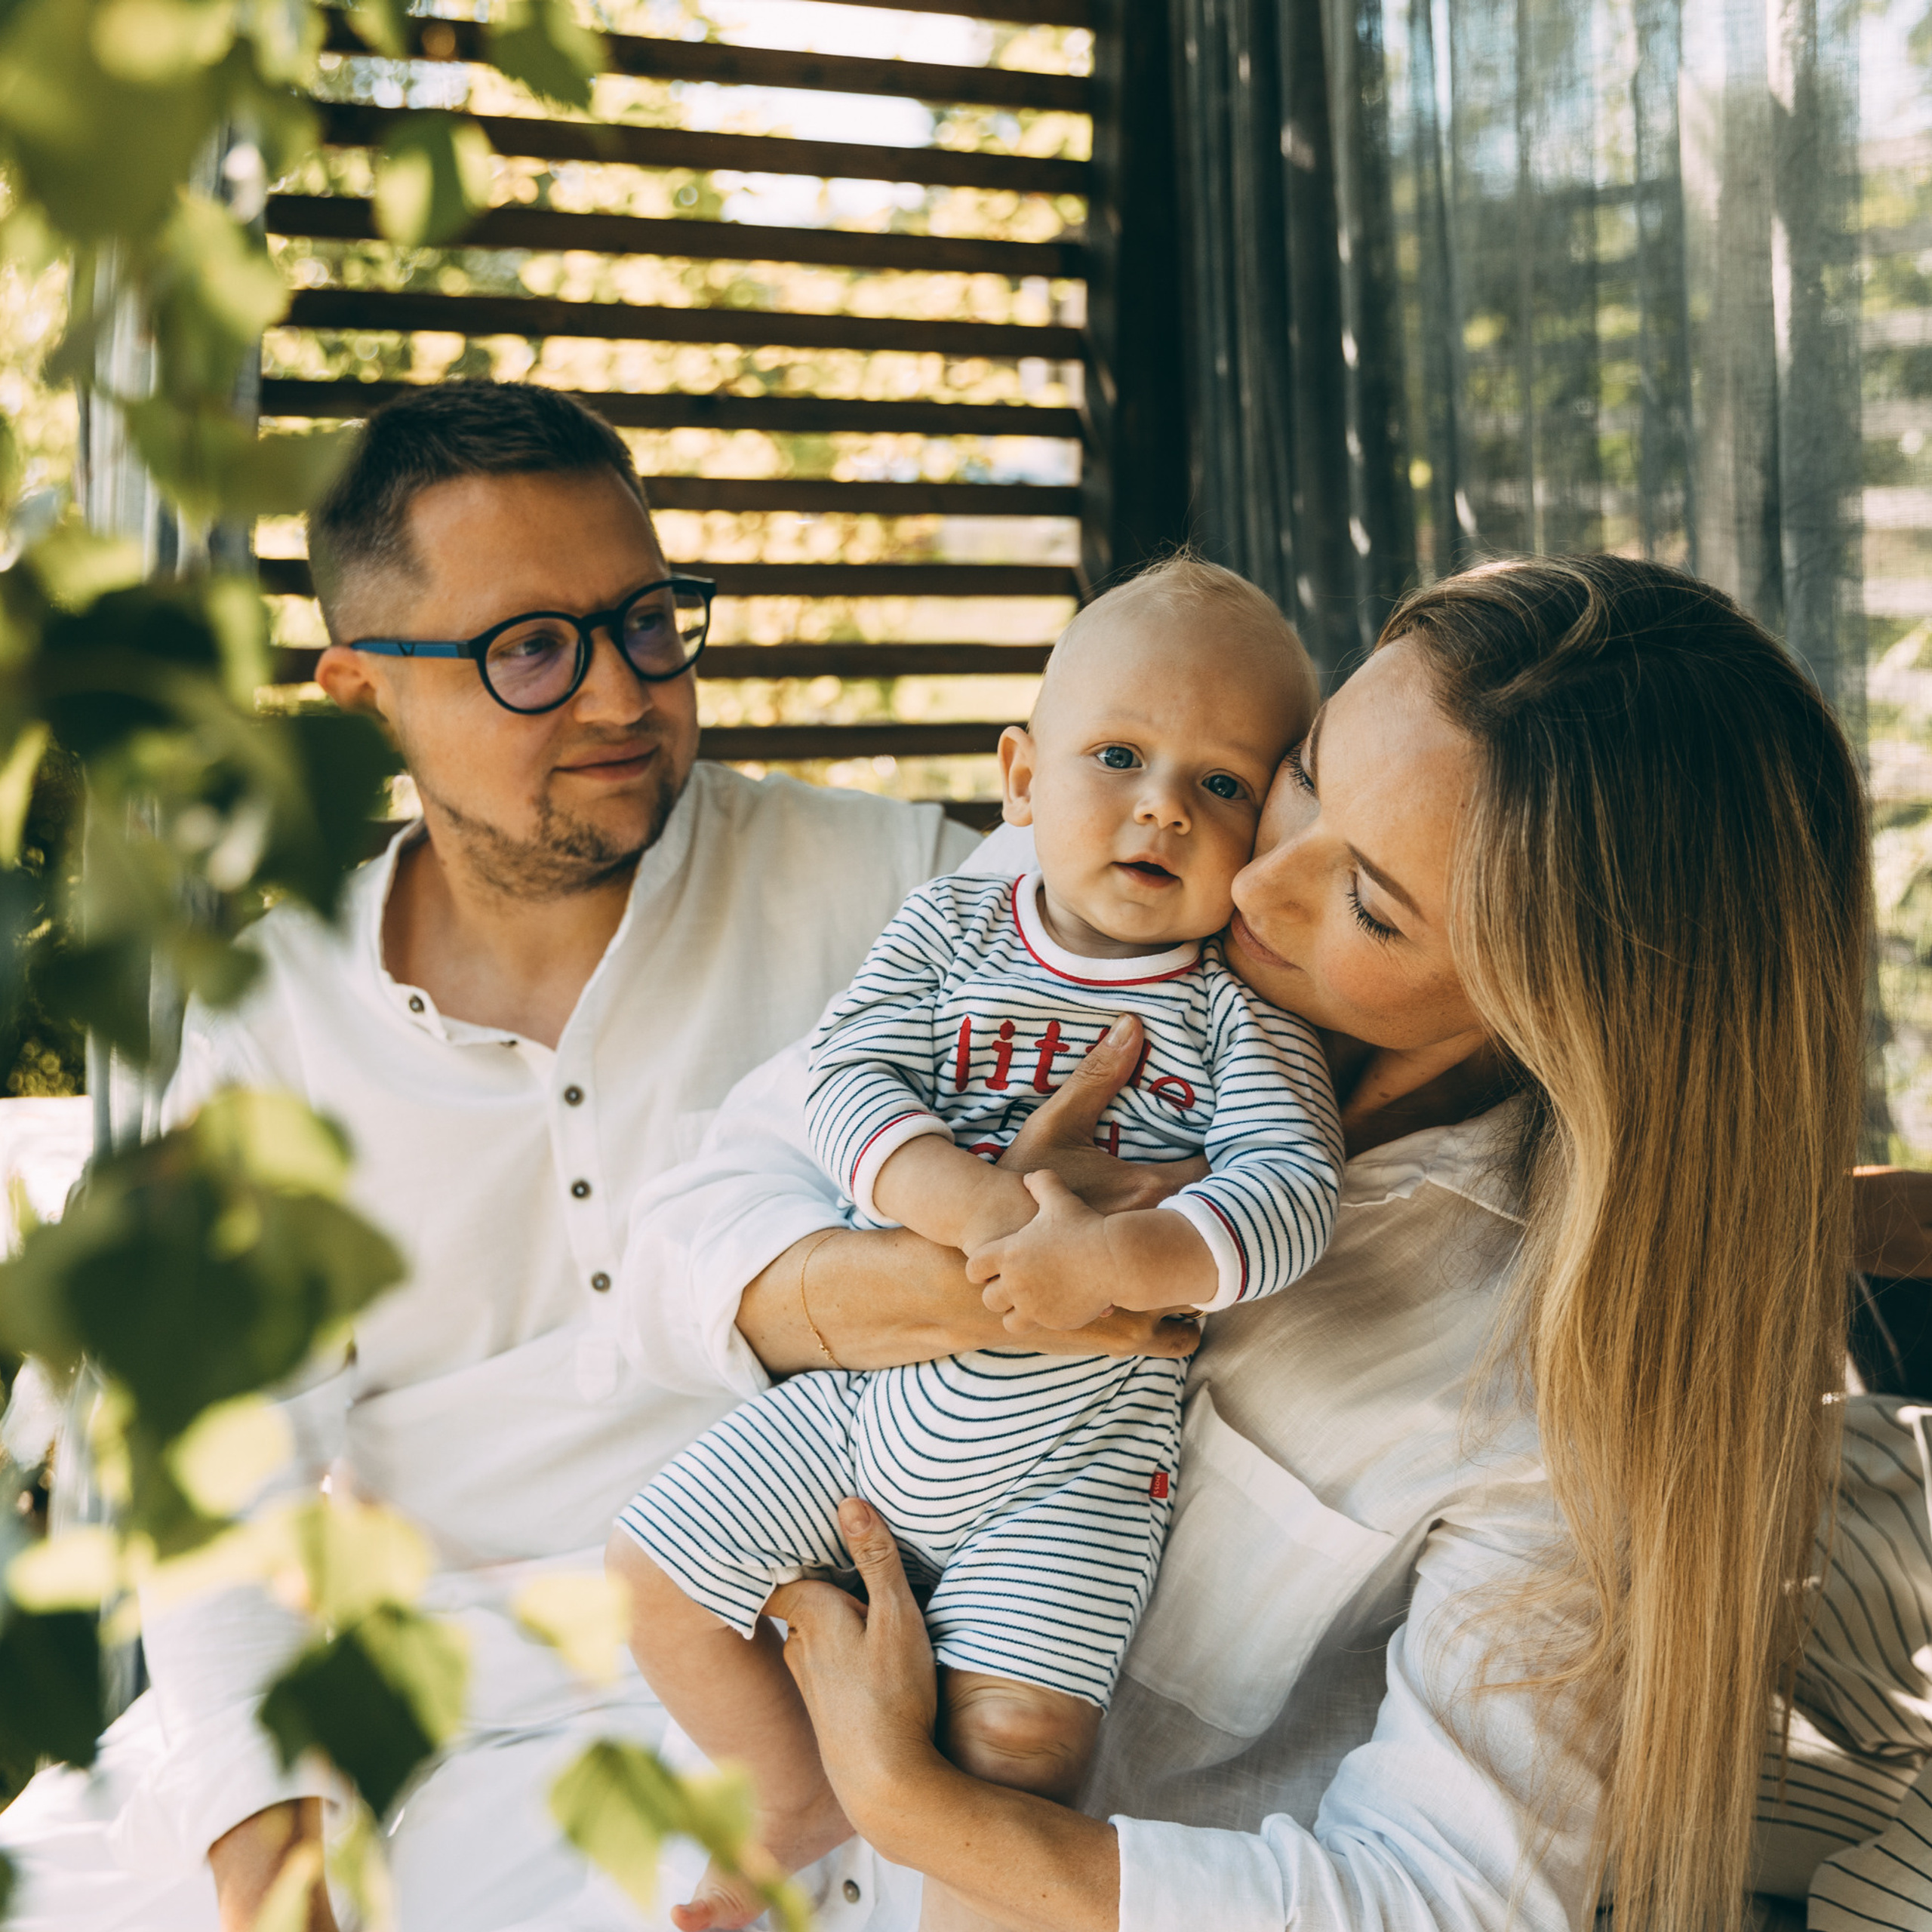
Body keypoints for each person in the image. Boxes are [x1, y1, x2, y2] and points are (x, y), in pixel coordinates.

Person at [0, 379, 1193, 1932]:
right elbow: (232, 1508)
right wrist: (274, 1890)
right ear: (361, 694)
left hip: (846, 1671)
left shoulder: (893, 885)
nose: (624, 692)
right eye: (531, 648)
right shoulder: (272, 1021)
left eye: (647, 619)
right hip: (452, 1710)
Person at [615, 554, 1872, 1930]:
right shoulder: (1115, 851)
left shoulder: (1551, 1367)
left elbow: (1446, 1905)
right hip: (720, 1786)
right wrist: (945, 1288)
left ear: (1557, 1004)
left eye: (1374, 908)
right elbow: (671, 1254)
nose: (1257, 880)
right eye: (1312, 774)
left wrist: (910, 1803)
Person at [611, 558, 1340, 1932]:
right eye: (1117, 756)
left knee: (1012, 1771)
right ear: (1018, 776)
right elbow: (840, 1078)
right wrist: (979, 1215)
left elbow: (1294, 1194)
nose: (1160, 807)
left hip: (1075, 1471)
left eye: (1222, 785)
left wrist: (1133, 1263)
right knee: (653, 1578)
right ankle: (788, 1797)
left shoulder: (1243, 1020)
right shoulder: (953, 926)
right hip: (864, 1408)